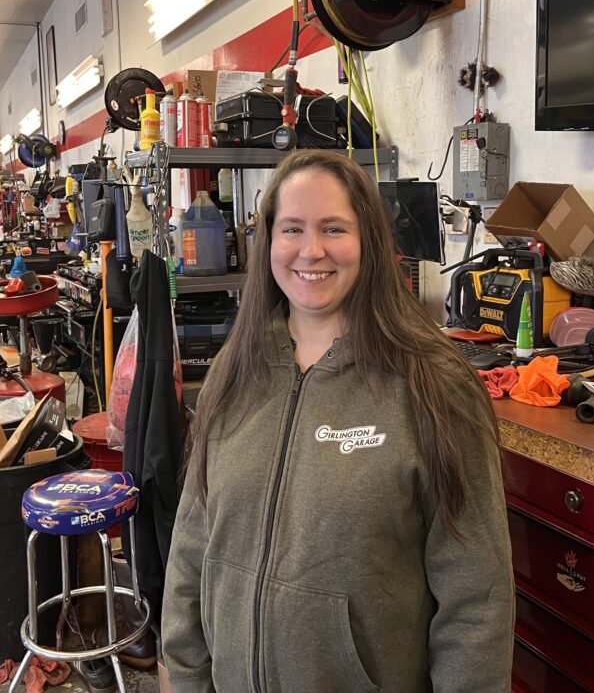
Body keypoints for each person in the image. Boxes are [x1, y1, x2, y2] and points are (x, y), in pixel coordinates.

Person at [162, 149, 514, 692]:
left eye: (333, 228)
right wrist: (185, 679)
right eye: (292, 228)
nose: (312, 250)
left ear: (368, 240)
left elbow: (476, 596)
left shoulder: (433, 384)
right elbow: (192, 546)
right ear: (269, 243)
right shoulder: (235, 372)